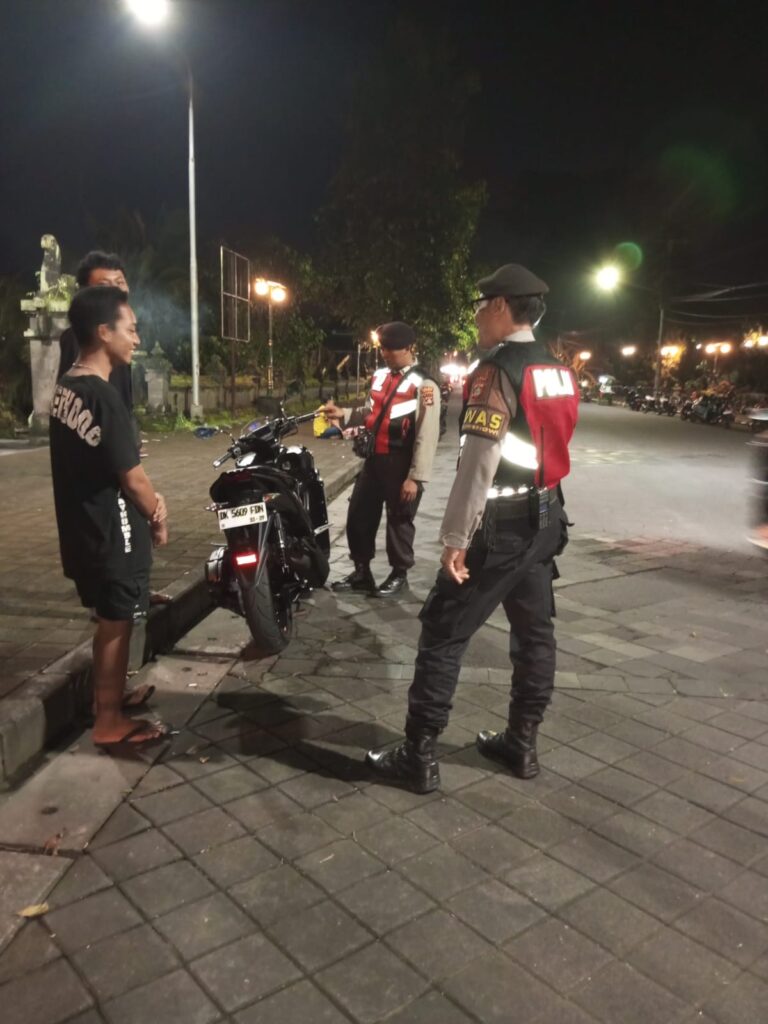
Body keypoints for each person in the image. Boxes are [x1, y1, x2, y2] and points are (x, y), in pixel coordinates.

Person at [367, 264, 579, 792]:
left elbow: (479, 463)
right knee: (535, 635)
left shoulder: (497, 371)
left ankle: (419, 754)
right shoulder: (555, 368)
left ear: (502, 306)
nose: (478, 317)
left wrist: (456, 540)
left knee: (443, 630)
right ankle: (522, 743)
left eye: (482, 307)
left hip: (500, 526)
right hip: (545, 519)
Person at [50, 286, 169, 748]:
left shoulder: (67, 387)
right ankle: (109, 722)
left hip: (82, 530)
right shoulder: (102, 396)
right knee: (118, 623)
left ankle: (110, 700)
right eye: (131, 329)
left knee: (108, 619)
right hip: (112, 531)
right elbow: (133, 479)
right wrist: (157, 514)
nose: (136, 339)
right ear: (104, 332)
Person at [322, 321, 441, 598]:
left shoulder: (424, 385)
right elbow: (370, 412)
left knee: (399, 520)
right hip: (374, 460)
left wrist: (415, 477)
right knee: (359, 514)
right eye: (383, 348)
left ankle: (399, 574)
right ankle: (361, 571)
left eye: (391, 349)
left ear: (409, 348)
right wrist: (344, 414)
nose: (385, 354)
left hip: (401, 463)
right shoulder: (380, 377)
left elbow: (427, 434)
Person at [58, 251, 133, 416]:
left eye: (120, 282)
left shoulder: (121, 337)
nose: (115, 290)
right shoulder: (77, 338)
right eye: (104, 285)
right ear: (85, 293)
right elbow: (70, 404)